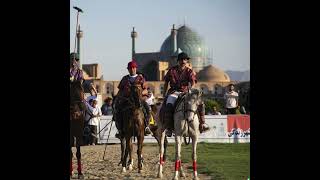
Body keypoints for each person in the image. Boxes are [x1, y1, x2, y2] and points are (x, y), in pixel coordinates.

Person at [162, 52, 209, 137]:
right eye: (181, 59)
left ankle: (203, 124)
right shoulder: (172, 70)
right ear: (178, 61)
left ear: (187, 61)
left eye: (185, 59)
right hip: (174, 92)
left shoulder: (189, 71)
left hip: (186, 93)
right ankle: (168, 128)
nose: (183, 61)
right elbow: (166, 82)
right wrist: (164, 94)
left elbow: (193, 82)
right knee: (168, 105)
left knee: (201, 103)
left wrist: (190, 91)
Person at [113, 60, 152, 138]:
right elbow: (120, 90)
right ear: (128, 69)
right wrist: (117, 98)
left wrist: (140, 93)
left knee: (148, 108)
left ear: (136, 68)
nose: (132, 69)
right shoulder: (124, 79)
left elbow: (145, 89)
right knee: (117, 110)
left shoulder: (141, 78)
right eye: (130, 68)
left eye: (134, 68)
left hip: (139, 99)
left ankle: (147, 126)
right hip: (127, 100)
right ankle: (120, 129)